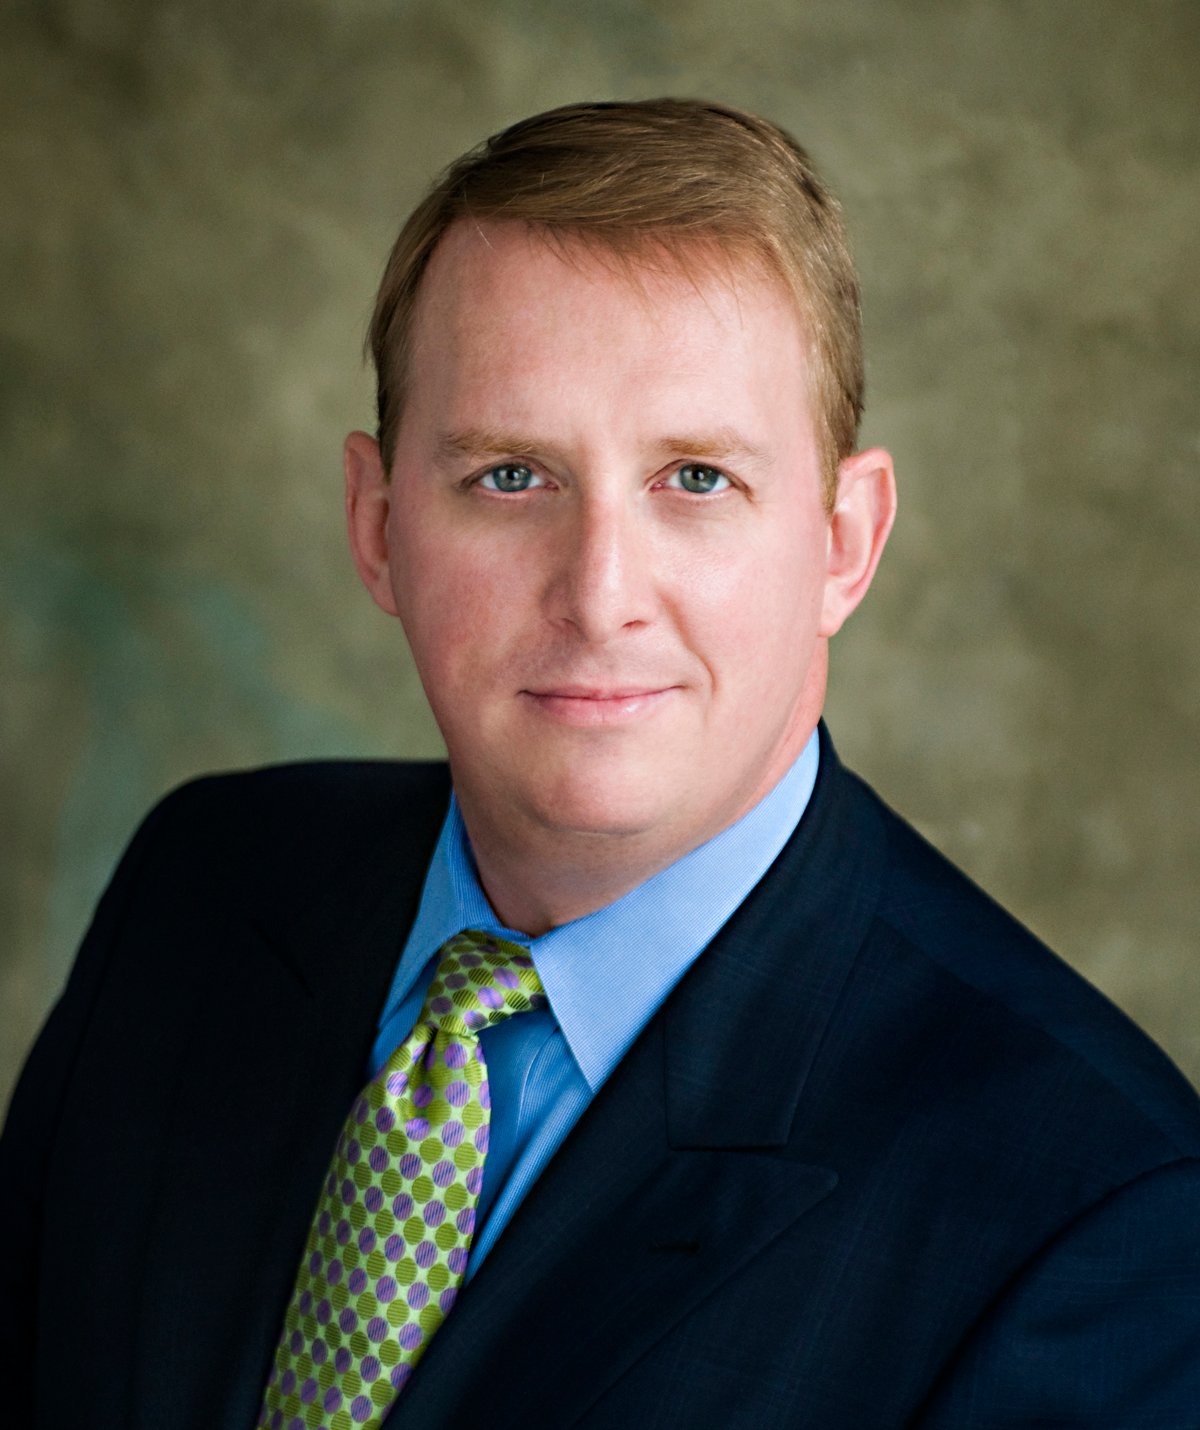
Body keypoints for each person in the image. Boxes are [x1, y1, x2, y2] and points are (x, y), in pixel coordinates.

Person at [2, 98, 1198, 1430]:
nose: (599, 593)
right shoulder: (204, 886)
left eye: (696, 479)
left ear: (844, 542)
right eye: (511, 476)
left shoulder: (1096, 1222)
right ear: (378, 524)